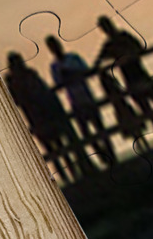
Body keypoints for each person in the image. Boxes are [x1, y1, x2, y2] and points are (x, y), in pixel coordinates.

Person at [94, 15, 153, 140]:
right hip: (132, 80)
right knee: (149, 111)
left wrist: (128, 56)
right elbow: (98, 63)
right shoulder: (111, 45)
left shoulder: (122, 37)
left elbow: (140, 47)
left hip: (140, 76)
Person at [5, 51, 82, 181]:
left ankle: (70, 175)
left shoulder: (24, 77)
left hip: (41, 116)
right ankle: (68, 175)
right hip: (39, 116)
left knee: (56, 148)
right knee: (56, 148)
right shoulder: (22, 79)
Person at [47, 35, 114, 167]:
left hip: (87, 97)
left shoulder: (73, 58)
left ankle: (111, 155)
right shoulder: (55, 66)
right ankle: (102, 155)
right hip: (75, 101)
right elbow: (58, 83)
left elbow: (86, 71)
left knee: (99, 127)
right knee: (86, 133)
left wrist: (72, 73)